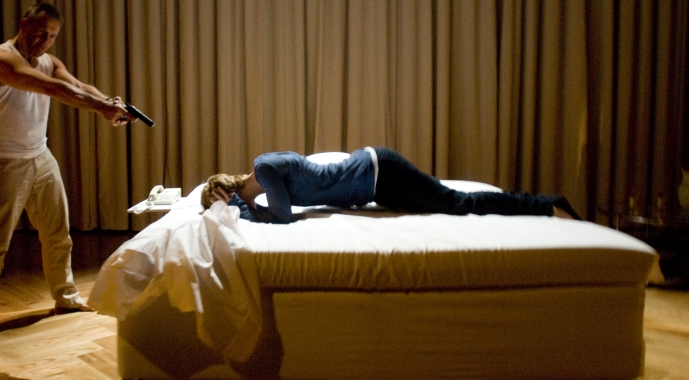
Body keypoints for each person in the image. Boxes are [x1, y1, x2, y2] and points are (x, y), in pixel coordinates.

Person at [0, 3, 136, 343]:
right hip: (2, 160)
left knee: (57, 233)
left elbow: (77, 85)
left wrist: (110, 102)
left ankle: (66, 297)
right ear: (24, 24)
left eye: (52, 35)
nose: (45, 40)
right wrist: (102, 108)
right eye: (41, 32)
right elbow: (53, 89)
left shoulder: (49, 61)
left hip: (39, 155)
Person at [201, 147, 582, 224]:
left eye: (219, 205)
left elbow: (283, 216)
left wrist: (239, 208)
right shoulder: (265, 176)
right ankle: (545, 204)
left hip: (378, 172)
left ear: (224, 194)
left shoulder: (264, 169)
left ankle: (548, 204)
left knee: (457, 202)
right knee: (452, 203)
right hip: (375, 184)